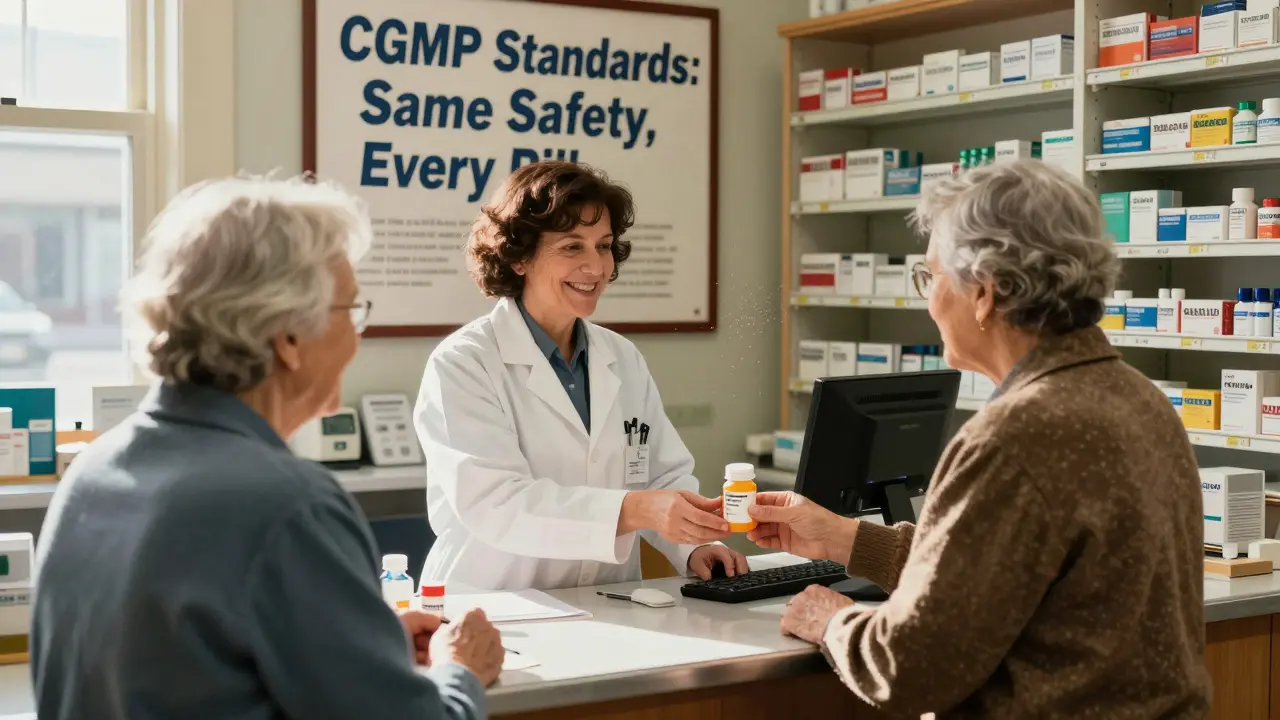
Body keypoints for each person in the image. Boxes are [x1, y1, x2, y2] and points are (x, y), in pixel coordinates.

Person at [747, 160, 1212, 718]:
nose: (928, 302)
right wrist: (846, 538)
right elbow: (1005, 570)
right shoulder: (1139, 398)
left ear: (986, 292)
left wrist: (832, 622)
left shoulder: (1013, 437)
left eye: (931, 277)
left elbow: (910, 669)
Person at [31, 177, 503, 719]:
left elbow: (186, 667)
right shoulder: (289, 505)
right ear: (289, 338)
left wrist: (363, 643)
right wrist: (462, 671)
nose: (356, 336)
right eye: (350, 311)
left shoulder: (93, 472)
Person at [415, 161, 748, 590]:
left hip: (606, 602)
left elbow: (662, 476)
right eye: (572, 247)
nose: (596, 268)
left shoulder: (621, 357)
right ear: (519, 257)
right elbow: (498, 504)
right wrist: (633, 510)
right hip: (498, 609)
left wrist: (692, 547)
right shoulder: (464, 363)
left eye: (604, 246)